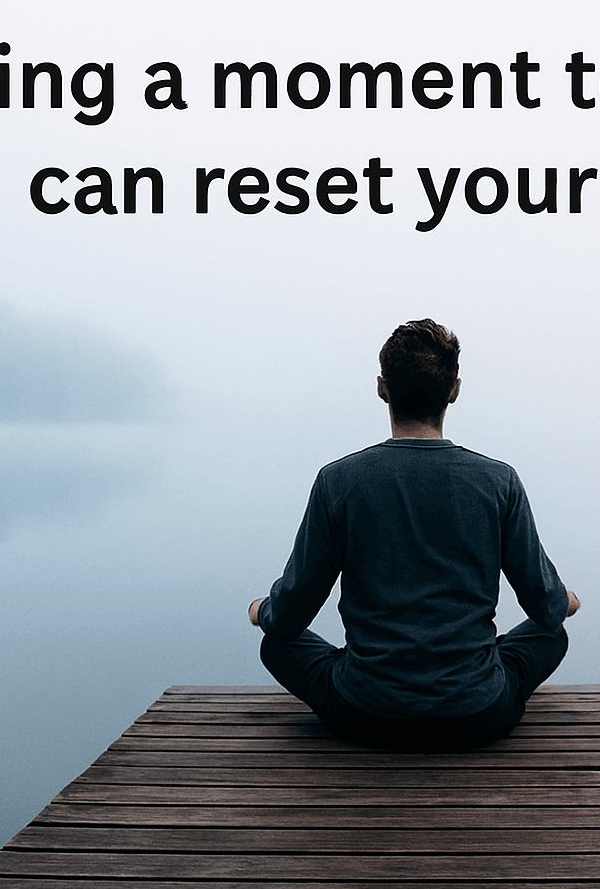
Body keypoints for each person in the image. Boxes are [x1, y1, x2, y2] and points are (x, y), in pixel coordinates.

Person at [248, 318, 579, 751]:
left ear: (382, 388)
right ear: (455, 389)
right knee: (551, 635)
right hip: (477, 714)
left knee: (276, 644)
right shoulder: (499, 482)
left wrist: (262, 610)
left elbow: (292, 615)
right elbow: (546, 607)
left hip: (363, 712)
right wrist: (565, 600)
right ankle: (470, 671)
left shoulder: (338, 481)